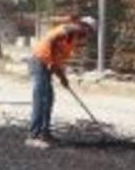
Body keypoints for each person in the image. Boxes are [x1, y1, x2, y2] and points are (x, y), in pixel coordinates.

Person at [26, 15, 96, 149]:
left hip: (46, 63)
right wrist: (50, 61)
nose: (88, 35)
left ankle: (44, 133)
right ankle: (33, 136)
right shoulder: (72, 29)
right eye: (89, 31)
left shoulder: (73, 38)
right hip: (39, 61)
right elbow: (51, 40)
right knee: (41, 99)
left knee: (49, 99)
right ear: (85, 27)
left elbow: (57, 60)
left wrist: (62, 77)